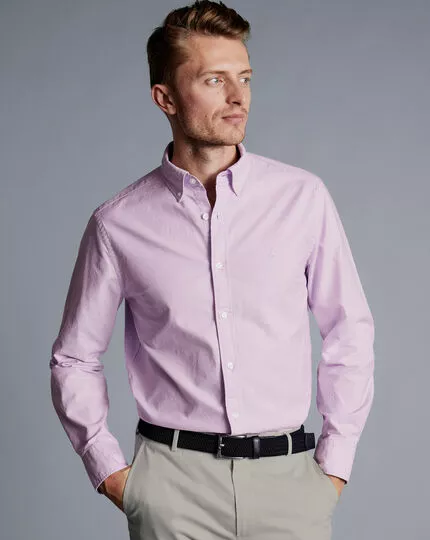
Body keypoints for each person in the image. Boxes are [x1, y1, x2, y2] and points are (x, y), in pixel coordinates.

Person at [49, 1, 375, 539]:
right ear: (166, 98)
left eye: (244, 77)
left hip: (290, 485)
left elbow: (349, 331)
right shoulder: (118, 223)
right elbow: (74, 357)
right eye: (214, 79)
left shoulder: (303, 199)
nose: (237, 96)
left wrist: (334, 466)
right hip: (172, 487)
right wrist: (110, 471)